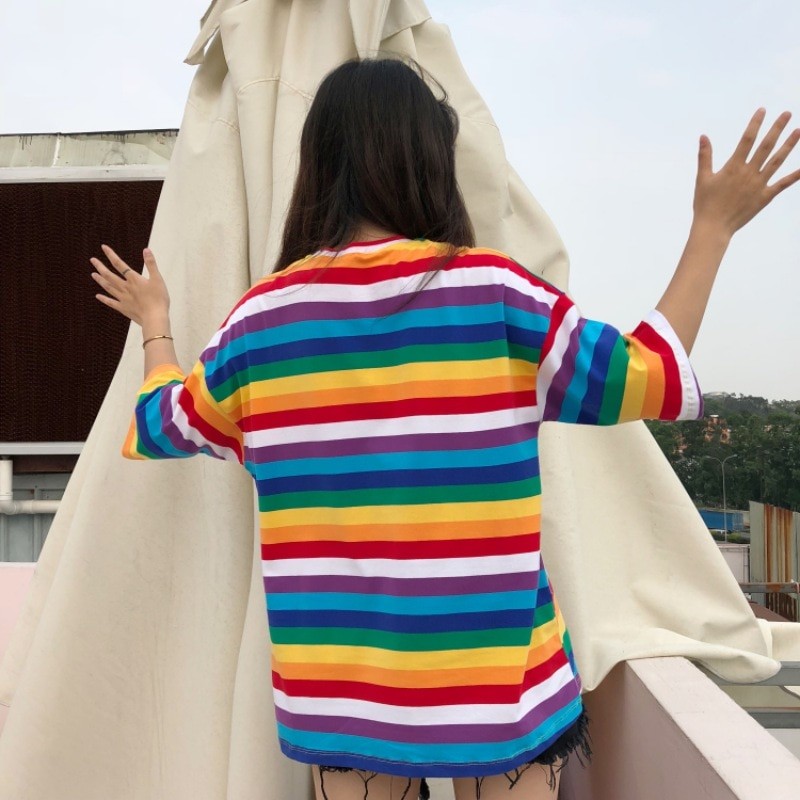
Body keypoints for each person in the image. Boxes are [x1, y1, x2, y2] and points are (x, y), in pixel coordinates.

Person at [90, 58, 799, 800]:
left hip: (343, 704)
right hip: (503, 692)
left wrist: (157, 326)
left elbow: (160, 424)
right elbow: (649, 376)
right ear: (428, 161)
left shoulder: (259, 325)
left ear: (319, 166)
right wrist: (713, 230)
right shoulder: (496, 294)